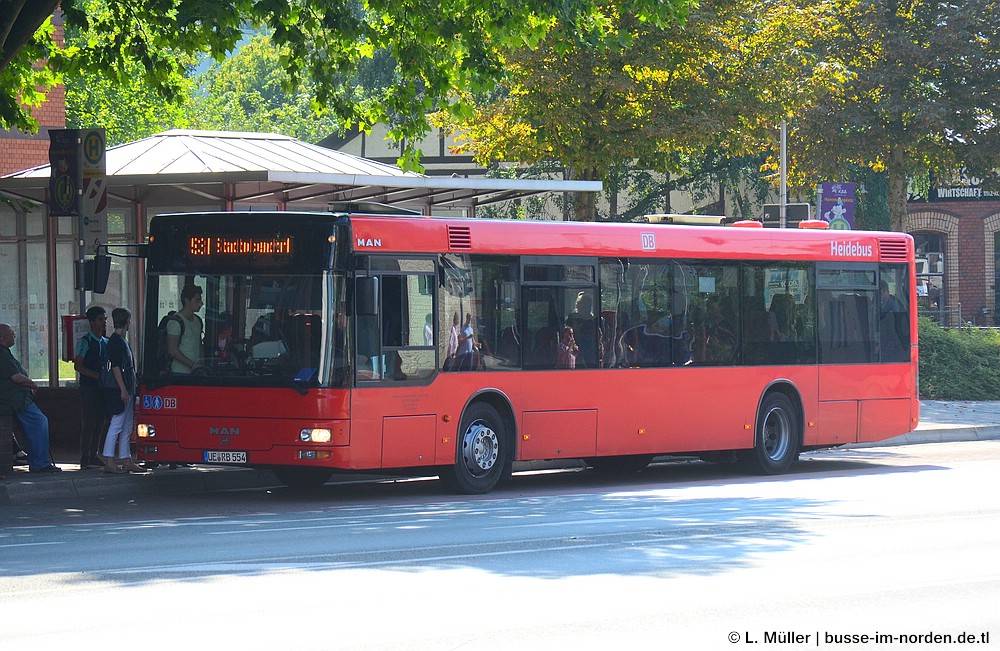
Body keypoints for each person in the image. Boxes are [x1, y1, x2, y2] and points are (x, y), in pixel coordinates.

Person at [0, 323, 61, 473]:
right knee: (39, 422)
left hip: (17, 398)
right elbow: (16, 378)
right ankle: (40, 462)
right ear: (3, 338)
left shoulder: (5, 352)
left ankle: (36, 460)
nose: (14, 336)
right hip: (15, 400)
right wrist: (32, 384)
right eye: (12, 334)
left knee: (36, 424)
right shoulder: (2, 354)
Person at [102, 308, 145, 474]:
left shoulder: (118, 340)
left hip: (126, 389)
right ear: (127, 321)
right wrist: (123, 390)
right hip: (120, 389)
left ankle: (126, 458)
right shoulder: (117, 341)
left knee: (126, 425)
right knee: (117, 424)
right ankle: (110, 460)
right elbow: (116, 367)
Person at [74, 305, 110, 468]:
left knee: (101, 420)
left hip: (102, 387)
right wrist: (95, 375)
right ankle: (85, 456)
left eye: (105, 319)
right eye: (100, 319)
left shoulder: (106, 342)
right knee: (90, 421)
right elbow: (78, 365)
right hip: (89, 387)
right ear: (92, 322)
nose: (104, 323)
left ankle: (94, 454)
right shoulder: (86, 341)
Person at [167, 284, 205, 374]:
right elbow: (172, 350)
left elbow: (199, 344)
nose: (201, 304)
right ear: (187, 301)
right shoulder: (176, 322)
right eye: (197, 300)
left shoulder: (198, 320)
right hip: (180, 372)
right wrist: (192, 365)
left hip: (196, 371)